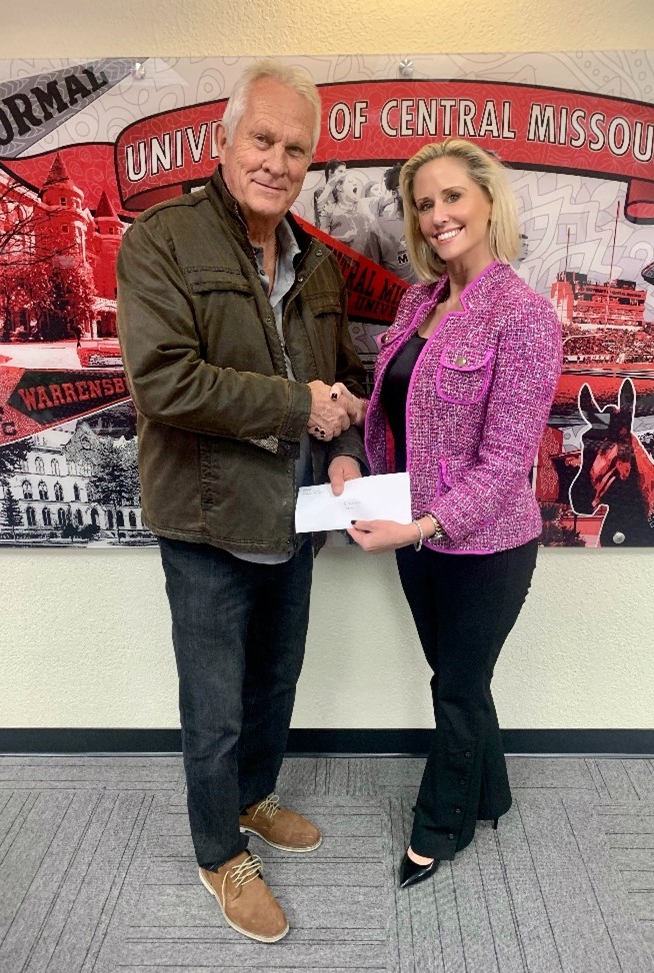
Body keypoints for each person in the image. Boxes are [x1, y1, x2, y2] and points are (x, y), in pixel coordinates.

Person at [116, 60, 366, 943]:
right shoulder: (161, 240)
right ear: (224, 141)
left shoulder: (318, 263)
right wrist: (300, 406)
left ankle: (254, 798)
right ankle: (218, 850)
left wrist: (344, 449)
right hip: (207, 522)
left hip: (295, 517)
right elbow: (164, 382)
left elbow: (345, 376)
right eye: (262, 139)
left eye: (296, 149)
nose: (277, 161)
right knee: (215, 703)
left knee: (275, 681)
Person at [344, 138, 561, 889]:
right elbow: (407, 411)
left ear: (488, 201)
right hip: (415, 538)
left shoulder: (524, 317)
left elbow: (506, 463)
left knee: (457, 688)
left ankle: (439, 828)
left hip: (486, 547)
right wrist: (352, 418)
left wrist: (421, 525)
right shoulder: (418, 303)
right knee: (457, 675)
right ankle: (491, 793)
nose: (437, 215)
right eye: (424, 204)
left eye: (452, 197)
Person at [355, 161, 417, 284]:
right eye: (406, 185)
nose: (412, 190)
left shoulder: (428, 221)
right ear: (394, 193)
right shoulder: (379, 228)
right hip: (398, 294)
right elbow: (370, 275)